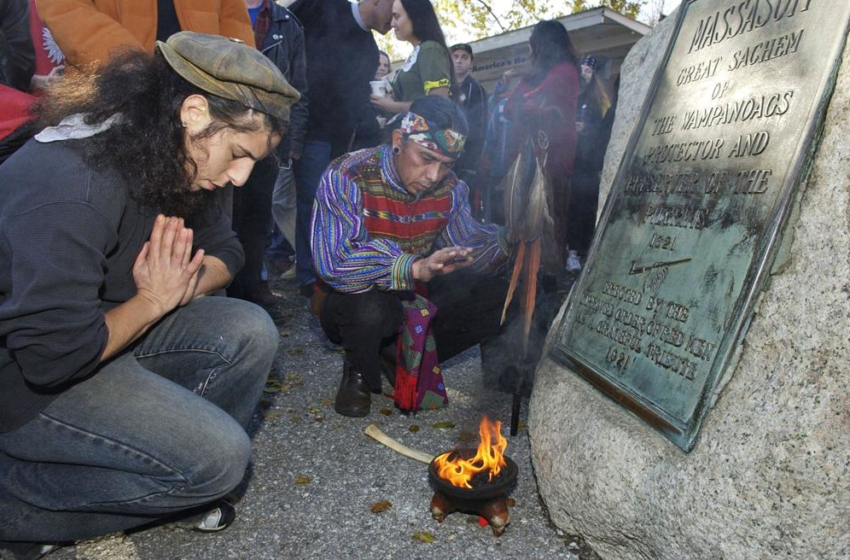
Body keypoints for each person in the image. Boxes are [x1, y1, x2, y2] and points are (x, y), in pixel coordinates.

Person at [0, 32, 299, 557]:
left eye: (253, 162)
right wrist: (152, 302)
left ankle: (160, 472)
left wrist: (174, 286)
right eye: (237, 154)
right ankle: (23, 512)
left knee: (249, 328)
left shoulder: (165, 152)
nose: (239, 176)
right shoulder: (72, 180)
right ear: (194, 111)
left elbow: (226, 252)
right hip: (24, 384)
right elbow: (51, 358)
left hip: (107, 336)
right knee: (220, 460)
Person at [312, 96, 514, 418]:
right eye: (426, 158)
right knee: (368, 305)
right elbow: (334, 261)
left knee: (500, 294)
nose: (434, 175)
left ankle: (394, 355)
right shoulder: (348, 175)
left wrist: (510, 240)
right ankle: (359, 367)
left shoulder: (450, 190)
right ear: (398, 141)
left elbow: (468, 241)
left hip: (410, 302)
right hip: (352, 302)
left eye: (446, 164)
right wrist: (412, 266)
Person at [288, 0, 394, 297]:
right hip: (308, 133)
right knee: (310, 203)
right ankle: (310, 278)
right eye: (395, 8)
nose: (396, 20)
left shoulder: (371, 51)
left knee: (335, 205)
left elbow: (359, 103)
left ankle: (329, 270)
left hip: (341, 142)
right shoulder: (321, 6)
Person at [230, 0, 308, 318]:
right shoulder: (215, 9)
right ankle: (224, 291)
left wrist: (293, 141)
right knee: (223, 216)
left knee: (257, 217)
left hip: (268, 137)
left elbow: (299, 88)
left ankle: (253, 289)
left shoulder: (287, 24)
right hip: (222, 130)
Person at [503, 20, 580, 268]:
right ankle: (522, 273)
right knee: (523, 220)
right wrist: (524, 104)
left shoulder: (565, 71)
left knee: (548, 221)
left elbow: (538, 106)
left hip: (553, 160)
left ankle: (546, 278)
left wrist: (524, 105)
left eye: (532, 41)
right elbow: (508, 107)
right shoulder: (536, 75)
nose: (530, 48)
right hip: (527, 158)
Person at [37, 0, 254, 68]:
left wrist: (237, 85)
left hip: (203, 106)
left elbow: (233, 21)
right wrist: (129, 65)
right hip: (113, 101)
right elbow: (66, 9)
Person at [566, 55, 611, 271]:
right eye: (581, 69)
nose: (583, 74)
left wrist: (586, 130)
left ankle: (584, 251)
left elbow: (603, 131)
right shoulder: (570, 96)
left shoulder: (599, 101)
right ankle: (571, 251)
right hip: (569, 160)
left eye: (588, 71)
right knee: (571, 206)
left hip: (588, 162)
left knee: (586, 207)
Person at [370, 0, 452, 117]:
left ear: (415, 16)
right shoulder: (417, 52)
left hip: (425, 133)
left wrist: (391, 106)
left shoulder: (430, 49)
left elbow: (438, 103)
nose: (392, 23)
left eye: (396, 16)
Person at [449, 43, 487, 191]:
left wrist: (471, 166)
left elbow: (480, 128)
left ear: (471, 62)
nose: (459, 61)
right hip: (443, 159)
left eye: (464, 57)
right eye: (456, 56)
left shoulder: (476, 89)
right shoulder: (444, 87)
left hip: (466, 163)